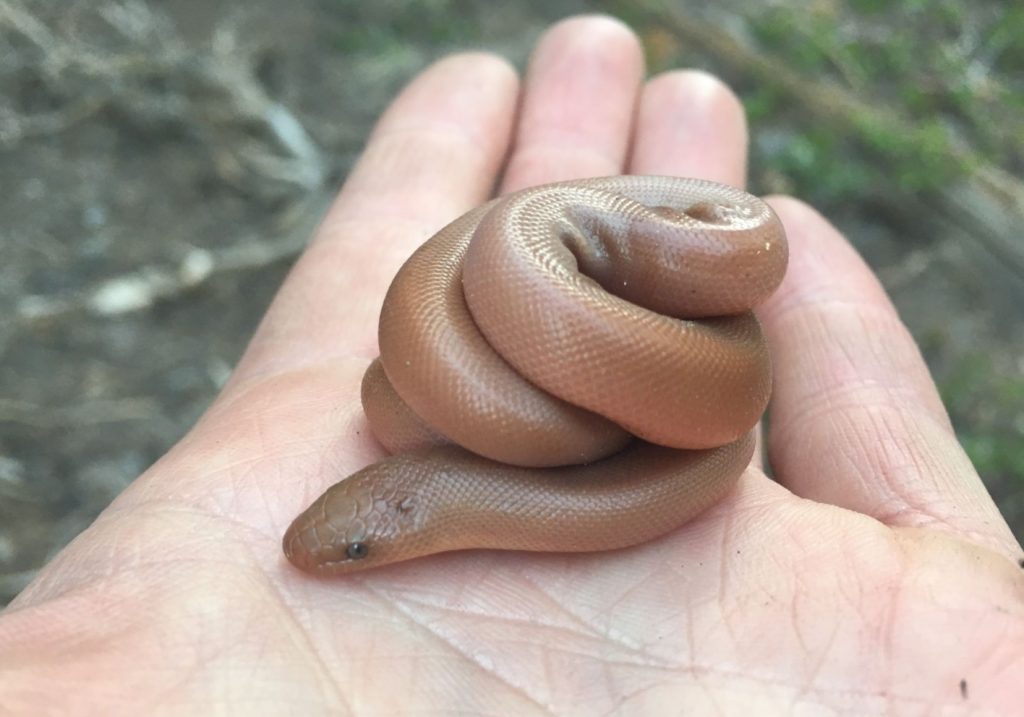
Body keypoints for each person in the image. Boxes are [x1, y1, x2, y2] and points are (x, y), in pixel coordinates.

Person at [1, 15, 1020, 715]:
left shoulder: (537, 298)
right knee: (414, 385)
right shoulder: (434, 410)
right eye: (364, 546)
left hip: (579, 296)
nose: (333, 558)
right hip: (558, 327)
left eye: (360, 552)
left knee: (456, 356)